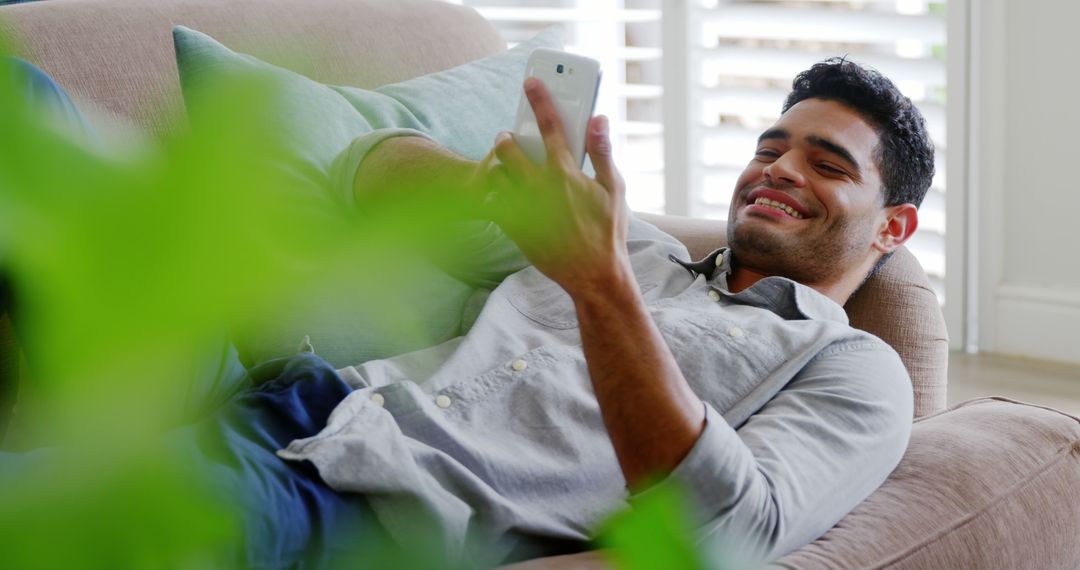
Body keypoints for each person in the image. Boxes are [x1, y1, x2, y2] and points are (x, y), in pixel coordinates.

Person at [0, 55, 934, 568]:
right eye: (772, 146)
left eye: (826, 162)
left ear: (893, 224)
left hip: (348, 494)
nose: (778, 167)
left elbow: (729, 534)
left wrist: (598, 286)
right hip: (278, 381)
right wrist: (482, 189)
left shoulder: (851, 368)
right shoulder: (636, 243)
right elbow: (359, 171)